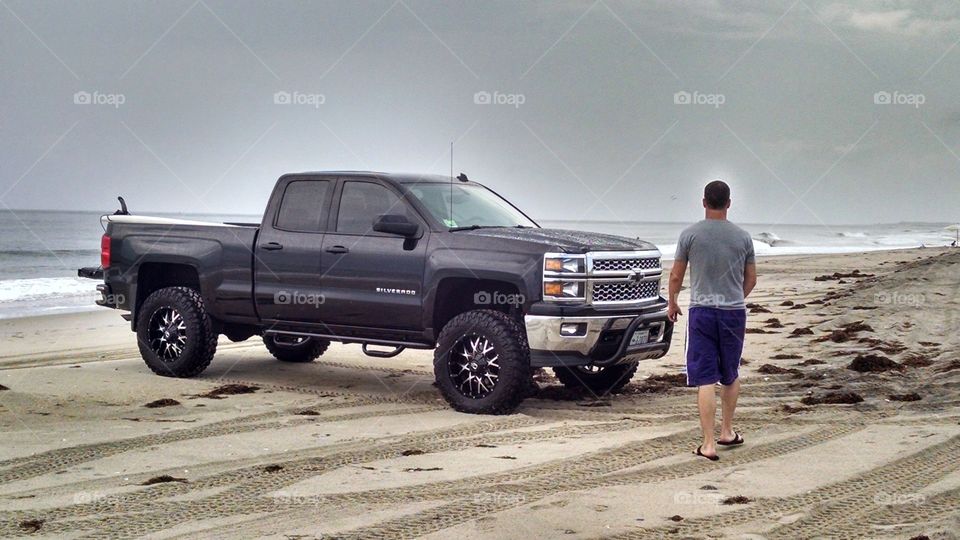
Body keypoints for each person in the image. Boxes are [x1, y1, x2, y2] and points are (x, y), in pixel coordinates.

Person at [667, 180, 757, 461]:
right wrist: (733, 297)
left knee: (705, 377)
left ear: (704, 202)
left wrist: (672, 301)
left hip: (702, 311)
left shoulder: (689, 235)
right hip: (732, 312)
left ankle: (708, 444)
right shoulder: (743, 237)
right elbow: (751, 279)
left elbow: (676, 276)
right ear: (729, 203)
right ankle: (727, 431)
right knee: (730, 374)